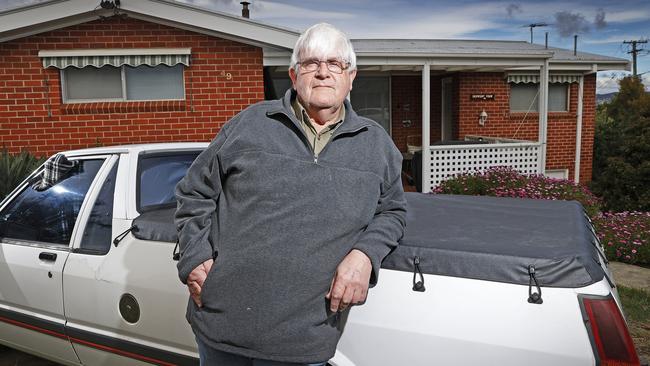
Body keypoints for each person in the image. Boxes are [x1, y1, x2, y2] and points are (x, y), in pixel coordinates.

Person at [175, 23, 406, 366]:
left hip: (304, 339)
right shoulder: (251, 124)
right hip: (221, 325)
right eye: (311, 63)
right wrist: (193, 256)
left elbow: (393, 212)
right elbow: (194, 193)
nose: (323, 72)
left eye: (335, 63)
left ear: (351, 76)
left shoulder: (376, 144)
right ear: (294, 74)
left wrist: (365, 256)